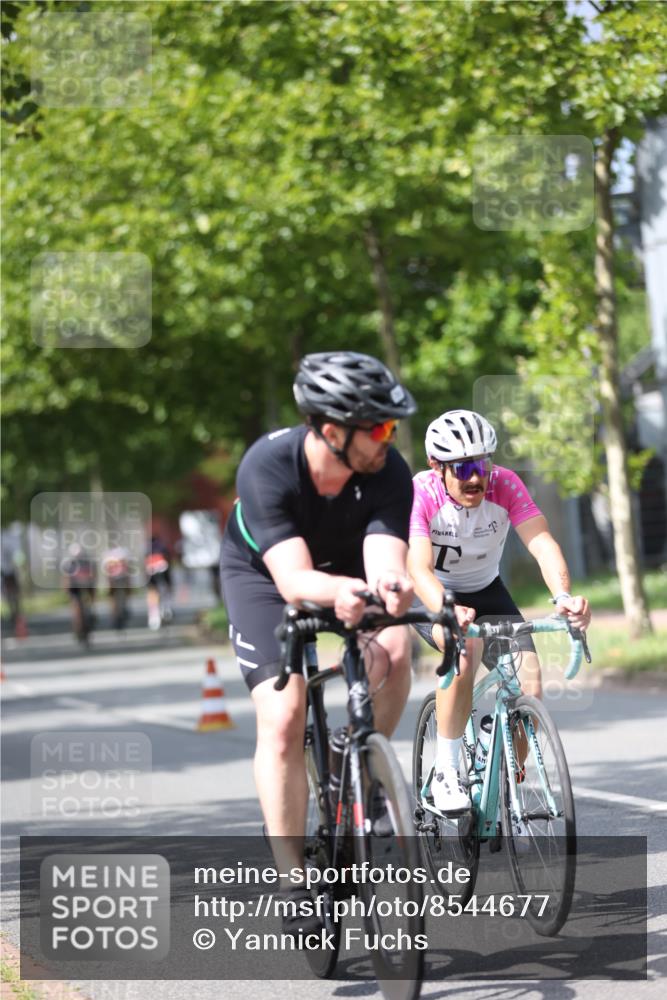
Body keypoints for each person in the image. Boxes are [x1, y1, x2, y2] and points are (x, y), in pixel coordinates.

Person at [220, 351, 417, 915]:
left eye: (392, 426)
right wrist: (346, 593)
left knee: (396, 649)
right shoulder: (267, 466)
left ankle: (359, 768)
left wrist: (392, 587)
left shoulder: (387, 471)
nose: (389, 438)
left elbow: (384, 562)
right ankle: (292, 878)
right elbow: (294, 582)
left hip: (344, 568)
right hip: (265, 577)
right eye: (378, 427)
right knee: (284, 715)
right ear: (332, 432)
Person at [408, 409, 591, 816]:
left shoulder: (504, 484)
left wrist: (563, 596)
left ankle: (501, 769)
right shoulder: (421, 493)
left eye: (483, 463)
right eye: (463, 468)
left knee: (531, 682)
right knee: (463, 653)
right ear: (437, 467)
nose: (476, 477)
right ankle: (447, 770)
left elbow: (541, 542)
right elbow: (417, 569)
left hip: (487, 590)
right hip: (434, 592)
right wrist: (447, 611)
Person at [62, 543, 97, 644]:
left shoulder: (88, 563)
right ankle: (77, 624)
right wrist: (67, 590)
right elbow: (66, 579)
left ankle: (92, 613)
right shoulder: (69, 564)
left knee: (90, 602)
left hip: (87, 586)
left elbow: (93, 576)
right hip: (75, 588)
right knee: (76, 606)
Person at [145, 534, 173, 630]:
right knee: (167, 587)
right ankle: (167, 608)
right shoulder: (162, 547)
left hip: (152, 570)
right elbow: (169, 560)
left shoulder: (147, 549)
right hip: (163, 568)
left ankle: (154, 616)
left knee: (152, 592)